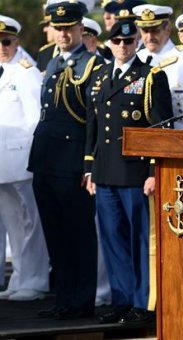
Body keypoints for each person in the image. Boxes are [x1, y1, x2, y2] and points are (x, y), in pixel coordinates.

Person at [85, 19, 173, 325]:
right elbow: (93, 126)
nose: (123, 46)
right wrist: (89, 168)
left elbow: (161, 126)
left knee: (140, 240)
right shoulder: (99, 76)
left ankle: (144, 302)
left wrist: (153, 169)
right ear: (109, 43)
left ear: (137, 43)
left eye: (129, 41)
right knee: (112, 240)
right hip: (106, 171)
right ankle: (121, 300)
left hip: (136, 174)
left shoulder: (150, 76)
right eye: (118, 42)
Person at [28, 0, 101, 320]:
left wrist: (89, 166)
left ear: (80, 29)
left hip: (72, 162)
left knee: (78, 235)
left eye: (68, 28)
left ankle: (81, 301)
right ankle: (64, 299)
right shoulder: (52, 61)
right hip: (45, 159)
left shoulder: (92, 65)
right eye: (58, 28)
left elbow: (94, 121)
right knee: (55, 236)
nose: (63, 34)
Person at [0, 14, 50, 302]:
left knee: (31, 224)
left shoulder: (25, 71)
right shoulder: (2, 70)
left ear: (17, 41)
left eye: (7, 41)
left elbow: (36, 119)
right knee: (14, 225)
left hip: (22, 161)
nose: (2, 47)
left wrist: (35, 158)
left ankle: (35, 280)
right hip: (3, 164)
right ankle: (19, 277)